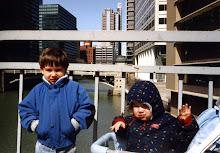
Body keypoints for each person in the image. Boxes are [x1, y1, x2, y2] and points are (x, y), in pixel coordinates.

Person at [18, 47, 95, 153]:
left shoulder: (74, 88)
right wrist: (35, 124)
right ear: (42, 69)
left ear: (65, 68)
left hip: (67, 146)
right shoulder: (38, 90)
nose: (53, 74)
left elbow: (87, 108)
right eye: (49, 70)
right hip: (43, 146)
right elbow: (25, 109)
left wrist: (74, 124)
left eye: (58, 70)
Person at [110, 81, 199, 153]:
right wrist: (119, 122)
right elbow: (121, 131)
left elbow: (185, 138)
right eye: (136, 106)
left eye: (145, 106)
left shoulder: (167, 121)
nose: (140, 110)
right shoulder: (130, 121)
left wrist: (186, 122)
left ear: (155, 106)